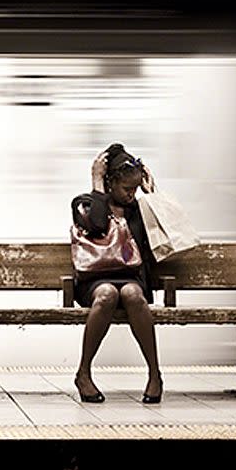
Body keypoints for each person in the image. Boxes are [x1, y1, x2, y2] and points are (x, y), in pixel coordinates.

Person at [70, 143, 162, 404]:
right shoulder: (85, 204)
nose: (132, 195)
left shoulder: (138, 209)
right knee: (107, 294)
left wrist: (151, 194)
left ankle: (155, 374)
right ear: (110, 183)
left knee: (133, 294)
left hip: (131, 276)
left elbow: (163, 234)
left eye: (135, 189)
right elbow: (98, 226)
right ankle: (84, 373)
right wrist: (96, 182)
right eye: (126, 189)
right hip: (95, 278)